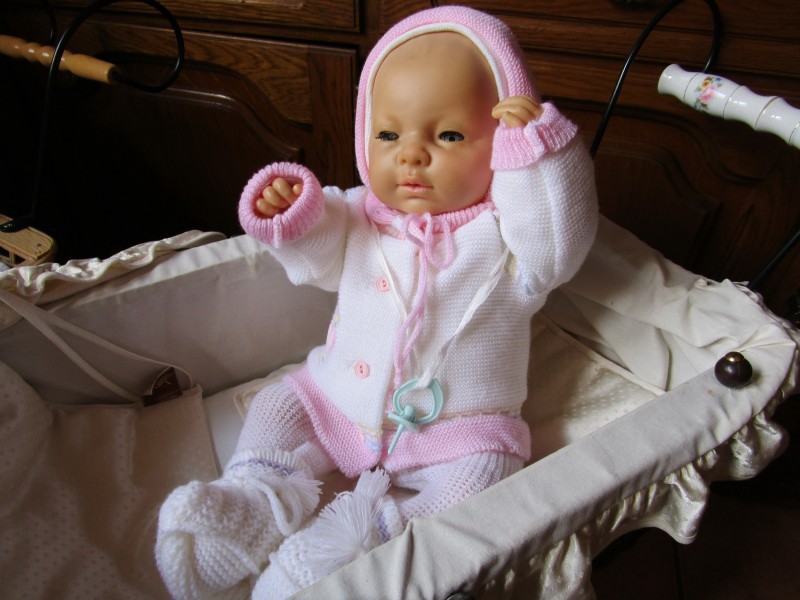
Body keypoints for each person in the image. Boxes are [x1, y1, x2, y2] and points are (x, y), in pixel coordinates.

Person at [155, 6, 598, 599]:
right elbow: (315, 260)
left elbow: (559, 240)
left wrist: (540, 155)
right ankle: (257, 497)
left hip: (460, 431)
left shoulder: (510, 240)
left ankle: (373, 539)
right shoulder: (358, 214)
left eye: (448, 136)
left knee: (487, 478)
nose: (411, 155)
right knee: (279, 406)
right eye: (389, 135)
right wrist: (293, 217)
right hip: (335, 401)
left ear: (500, 149)